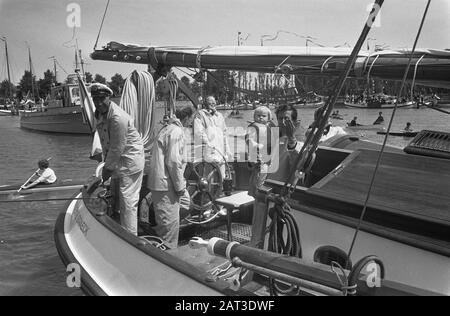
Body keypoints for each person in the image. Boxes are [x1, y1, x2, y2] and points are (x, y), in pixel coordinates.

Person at [91, 83, 145, 236]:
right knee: (119, 199)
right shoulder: (101, 113)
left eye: (102, 98)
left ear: (109, 97)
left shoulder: (117, 118)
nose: (99, 103)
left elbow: (116, 148)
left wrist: (106, 172)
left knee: (128, 202)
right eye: (96, 99)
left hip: (130, 162)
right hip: (118, 162)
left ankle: (130, 238)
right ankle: (118, 227)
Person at [148, 106, 195, 249]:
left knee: (187, 204)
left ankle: (162, 222)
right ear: (187, 117)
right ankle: (167, 252)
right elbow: (173, 161)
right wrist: (180, 187)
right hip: (166, 185)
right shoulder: (176, 131)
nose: (192, 122)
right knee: (169, 230)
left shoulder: (168, 128)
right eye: (192, 118)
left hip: (166, 181)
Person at [193, 96, 231, 177]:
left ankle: (221, 187)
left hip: (220, 153)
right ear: (205, 104)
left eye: (213, 103)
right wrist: (208, 145)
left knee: (222, 177)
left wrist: (227, 150)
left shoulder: (220, 116)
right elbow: (199, 133)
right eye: (209, 103)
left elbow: (224, 134)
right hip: (207, 153)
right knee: (208, 178)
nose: (212, 105)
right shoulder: (200, 115)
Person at [246, 106, 276, 197]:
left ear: (268, 118)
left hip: (267, 156)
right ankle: (256, 193)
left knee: (264, 175)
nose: (260, 117)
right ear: (254, 117)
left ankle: (259, 192)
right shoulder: (253, 127)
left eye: (263, 116)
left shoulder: (269, 126)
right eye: (258, 115)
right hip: (257, 156)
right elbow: (249, 139)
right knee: (258, 176)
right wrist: (255, 144)